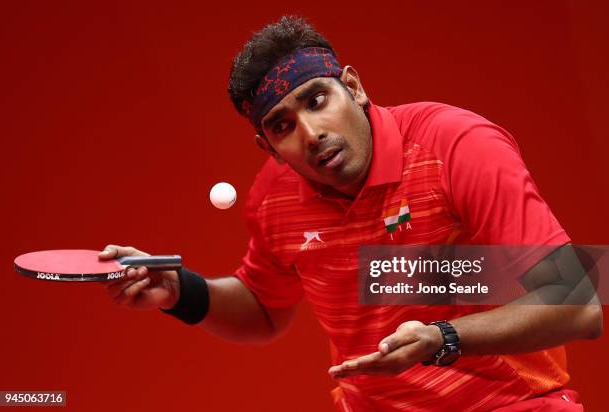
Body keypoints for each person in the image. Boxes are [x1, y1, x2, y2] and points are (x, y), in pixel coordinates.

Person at [102, 16, 602, 411]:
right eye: (283, 126)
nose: (311, 132)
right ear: (269, 148)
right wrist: (180, 291)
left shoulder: (456, 145)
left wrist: (441, 339)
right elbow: (263, 309)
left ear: (355, 87)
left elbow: (578, 303)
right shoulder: (275, 197)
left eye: (317, 100)